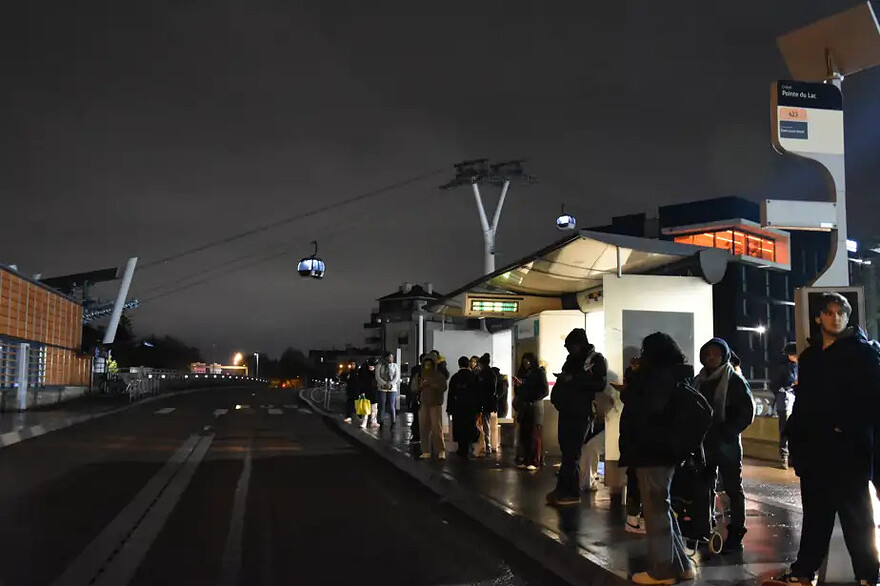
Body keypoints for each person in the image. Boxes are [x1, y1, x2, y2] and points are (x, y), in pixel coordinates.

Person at [764, 293, 880, 586]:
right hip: (815, 452)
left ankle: (868, 575)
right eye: (829, 312)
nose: (836, 317)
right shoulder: (811, 356)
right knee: (816, 517)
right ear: (818, 318)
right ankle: (804, 571)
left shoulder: (864, 353)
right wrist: (796, 435)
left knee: (857, 519)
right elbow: (805, 403)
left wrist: (847, 427)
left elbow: (873, 401)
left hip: (849, 452)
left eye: (842, 312)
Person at [619, 332, 698, 585]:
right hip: (666, 451)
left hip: (652, 450)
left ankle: (662, 571)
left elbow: (647, 410)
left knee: (655, 510)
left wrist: (631, 386)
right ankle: (682, 565)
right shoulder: (676, 375)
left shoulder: (657, 378)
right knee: (661, 506)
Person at [693, 337, 755, 553]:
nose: (711, 357)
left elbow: (747, 412)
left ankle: (737, 531)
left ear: (724, 356)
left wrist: (726, 431)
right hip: (704, 445)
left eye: (716, 353)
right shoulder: (698, 380)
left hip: (727, 445)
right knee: (703, 486)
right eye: (707, 353)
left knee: (733, 489)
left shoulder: (735, 381)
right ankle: (703, 527)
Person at [547, 328, 607, 507]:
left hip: (580, 413)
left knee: (573, 453)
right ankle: (563, 489)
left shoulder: (595, 360)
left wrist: (572, 379)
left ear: (579, 344)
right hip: (566, 410)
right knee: (567, 452)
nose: (568, 350)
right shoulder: (571, 360)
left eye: (570, 346)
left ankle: (571, 492)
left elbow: (599, 383)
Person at [513, 353, 548, 470]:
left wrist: (531, 397)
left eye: (528, 362)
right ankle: (527, 459)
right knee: (525, 434)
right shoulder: (525, 373)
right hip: (525, 407)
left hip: (534, 407)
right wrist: (519, 386)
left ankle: (535, 460)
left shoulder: (539, 373)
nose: (526, 364)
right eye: (525, 362)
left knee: (534, 434)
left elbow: (544, 391)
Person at [770, 342, 798, 470]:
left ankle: (790, 456)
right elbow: (775, 385)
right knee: (785, 428)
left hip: (793, 399)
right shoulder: (784, 367)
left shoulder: (797, 365)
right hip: (785, 399)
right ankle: (784, 456)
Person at [448, 356, 480, 459]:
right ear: (468, 364)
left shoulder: (455, 377)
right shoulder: (473, 377)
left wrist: (450, 408)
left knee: (459, 426)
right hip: (471, 406)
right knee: (470, 426)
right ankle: (470, 447)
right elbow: (477, 393)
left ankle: (461, 448)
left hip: (458, 406)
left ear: (459, 364)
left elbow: (451, 394)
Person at [417, 355, 448, 460]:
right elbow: (414, 387)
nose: (427, 366)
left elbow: (443, 387)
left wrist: (433, 386)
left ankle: (441, 450)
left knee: (436, 428)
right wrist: (421, 385)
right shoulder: (421, 374)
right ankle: (426, 450)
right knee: (424, 428)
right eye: (426, 363)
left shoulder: (439, 375)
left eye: (429, 364)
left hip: (435, 403)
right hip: (424, 403)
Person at [375, 351, 401, 428]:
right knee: (382, 405)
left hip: (392, 388)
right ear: (385, 357)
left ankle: (393, 421)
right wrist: (384, 384)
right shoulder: (379, 366)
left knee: (391, 405)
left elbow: (397, 376)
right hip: (382, 388)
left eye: (392, 357)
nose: (391, 359)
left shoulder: (395, 366)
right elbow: (377, 377)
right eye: (390, 357)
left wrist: (390, 384)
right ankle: (381, 421)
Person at [358, 358, 380, 430]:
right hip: (367, 389)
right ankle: (365, 422)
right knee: (366, 407)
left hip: (374, 389)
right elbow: (361, 380)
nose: (371, 366)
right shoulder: (364, 370)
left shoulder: (376, 370)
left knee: (374, 407)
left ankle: (373, 421)